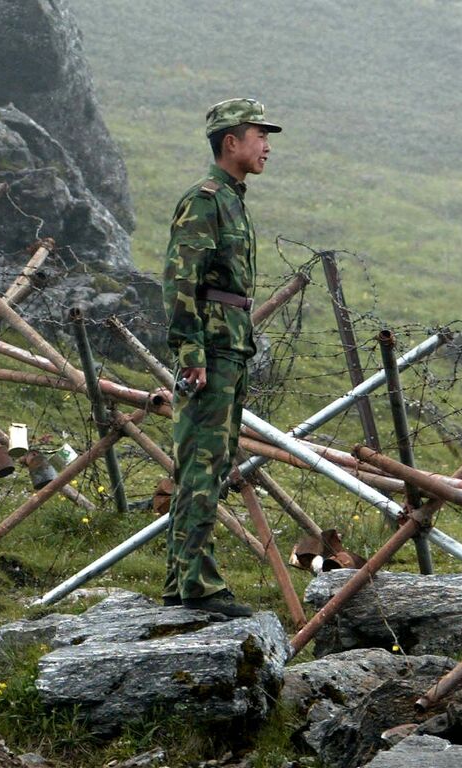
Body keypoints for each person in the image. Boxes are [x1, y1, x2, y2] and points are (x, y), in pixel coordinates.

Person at [159, 98, 280, 617]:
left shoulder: (233, 200)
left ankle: (181, 580)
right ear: (230, 141)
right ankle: (198, 586)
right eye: (259, 135)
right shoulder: (204, 201)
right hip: (209, 347)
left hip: (230, 344)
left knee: (214, 462)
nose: (267, 146)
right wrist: (191, 353)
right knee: (202, 465)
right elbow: (180, 281)